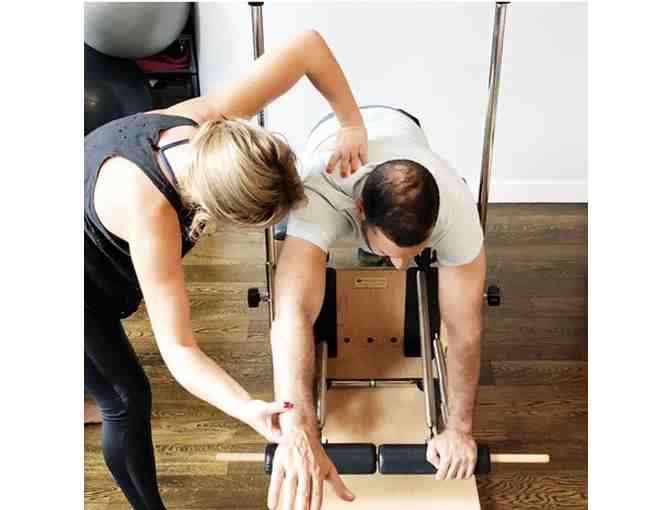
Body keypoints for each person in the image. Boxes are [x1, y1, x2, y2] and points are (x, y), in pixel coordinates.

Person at [84, 30, 368, 510]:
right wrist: (247, 407)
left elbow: (308, 46)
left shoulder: (211, 123)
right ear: (215, 211)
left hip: (88, 215)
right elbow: (179, 349)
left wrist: (351, 123)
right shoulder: (151, 214)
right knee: (125, 399)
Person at [269, 105, 486, 510]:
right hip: (329, 134)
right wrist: (298, 430)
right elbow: (292, 317)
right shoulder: (319, 195)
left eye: (414, 252)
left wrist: (459, 428)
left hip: (406, 127)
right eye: (391, 253)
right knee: (300, 287)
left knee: (424, 283)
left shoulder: (455, 207)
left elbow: (464, 329)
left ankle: (388, 254)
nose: (402, 266)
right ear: (360, 212)